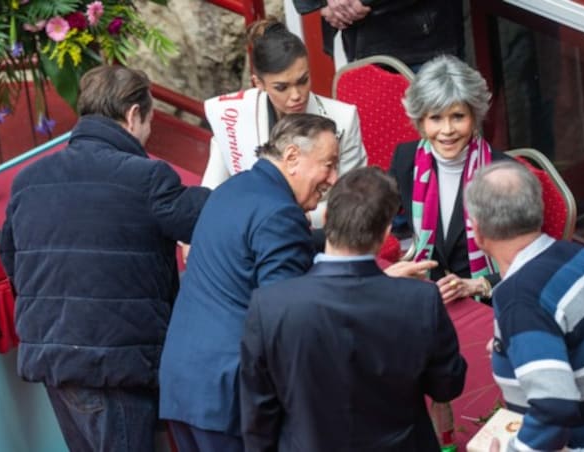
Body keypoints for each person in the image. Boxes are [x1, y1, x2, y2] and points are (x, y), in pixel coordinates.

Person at [0, 65, 209, 452]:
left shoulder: (29, 179)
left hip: (54, 357)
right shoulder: (147, 178)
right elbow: (211, 220)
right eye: (149, 122)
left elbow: (13, 261)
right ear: (133, 115)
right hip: (116, 366)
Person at [239, 166, 467, 451]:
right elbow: (447, 386)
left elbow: (258, 415)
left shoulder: (270, 305)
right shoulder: (421, 300)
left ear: (327, 219)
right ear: (386, 234)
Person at [160, 113, 340, 451]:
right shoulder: (280, 213)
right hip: (230, 393)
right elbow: (283, 317)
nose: (333, 177)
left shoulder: (233, 189)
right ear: (291, 158)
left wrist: (336, 239)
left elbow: (259, 245)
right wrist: (365, 281)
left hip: (183, 384)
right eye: (328, 165)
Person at [465, 161, 584, 452]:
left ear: (477, 232)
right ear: (537, 211)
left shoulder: (518, 300)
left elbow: (555, 408)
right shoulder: (580, 254)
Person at [202, 17, 366, 227]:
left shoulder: (343, 118)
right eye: (282, 87)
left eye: (303, 80)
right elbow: (212, 191)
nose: (296, 95)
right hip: (251, 232)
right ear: (258, 83)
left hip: (319, 232)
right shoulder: (232, 114)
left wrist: (287, 219)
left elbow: (352, 201)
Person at [389, 55, 512, 304]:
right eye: (435, 118)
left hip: (485, 301)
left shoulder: (505, 175)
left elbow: (527, 261)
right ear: (421, 121)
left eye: (457, 116)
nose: (447, 130)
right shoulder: (406, 158)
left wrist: (479, 285)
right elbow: (375, 218)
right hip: (427, 292)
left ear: (475, 117)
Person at [291, 0, 464, 70]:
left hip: (423, 42)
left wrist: (359, 1)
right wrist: (324, 3)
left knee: (441, 137)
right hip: (360, 45)